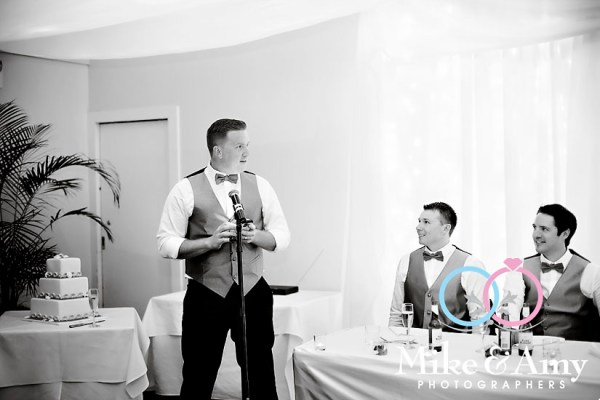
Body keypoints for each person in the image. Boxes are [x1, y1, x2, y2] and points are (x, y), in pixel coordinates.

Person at [156, 119, 290, 399]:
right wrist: (209, 242)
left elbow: (282, 236)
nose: (247, 152)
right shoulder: (185, 189)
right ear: (217, 151)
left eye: (247, 145)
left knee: (261, 372)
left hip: (253, 291)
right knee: (198, 374)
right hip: (206, 293)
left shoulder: (261, 185)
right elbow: (165, 243)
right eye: (239, 146)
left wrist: (255, 236)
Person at [509, 204, 600, 342]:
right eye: (534, 227)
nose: (536, 235)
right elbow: (510, 313)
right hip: (531, 350)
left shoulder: (591, 271)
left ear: (565, 234)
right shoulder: (519, 268)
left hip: (577, 352)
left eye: (544, 229)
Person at [389, 202, 487, 331]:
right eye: (419, 221)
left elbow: (479, 321)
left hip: (456, 343)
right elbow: (396, 316)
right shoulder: (406, 261)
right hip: (414, 343)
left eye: (426, 222)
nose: (418, 227)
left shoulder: (471, 264)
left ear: (445, 229)